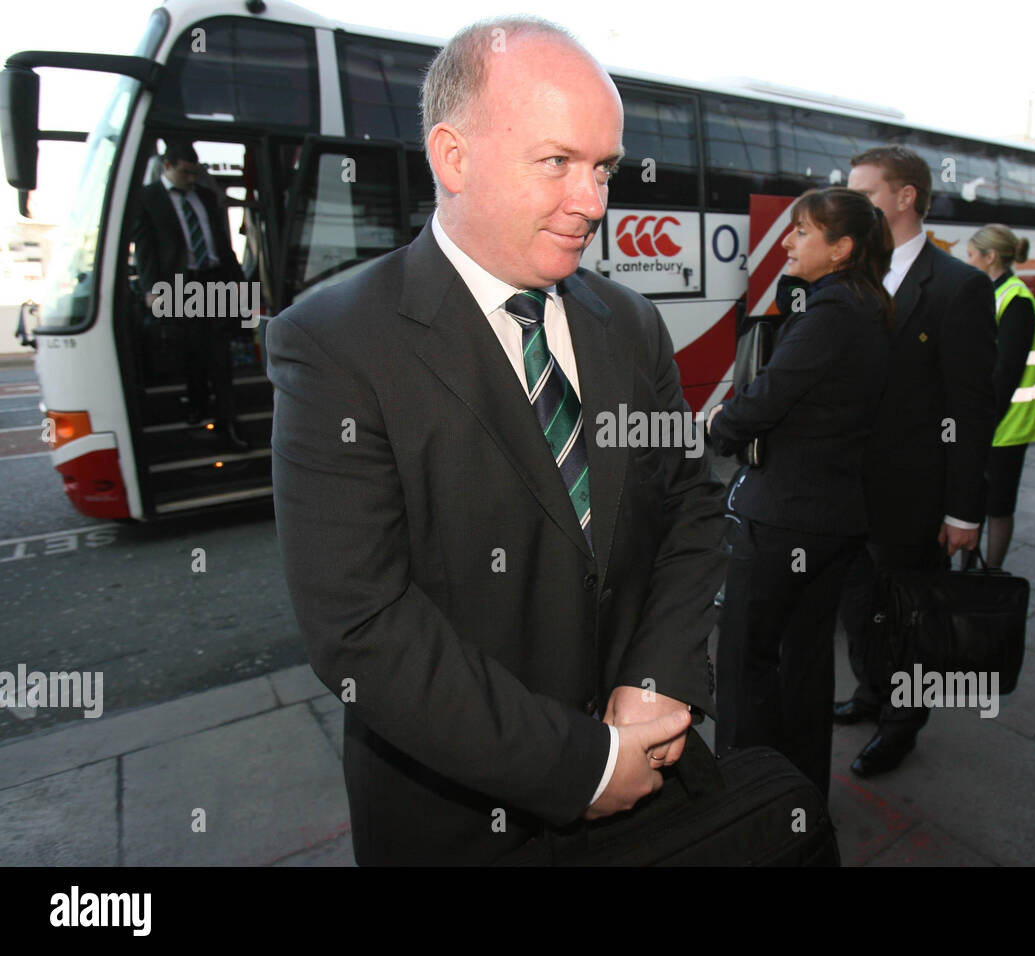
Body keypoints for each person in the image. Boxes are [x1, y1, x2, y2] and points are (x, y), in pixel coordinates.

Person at [266, 17, 728, 865]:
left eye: (603, 169)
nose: (592, 203)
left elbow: (693, 507)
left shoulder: (631, 323)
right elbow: (362, 626)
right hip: (455, 826)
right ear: (453, 157)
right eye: (557, 162)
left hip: (653, 791)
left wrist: (653, 683)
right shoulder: (333, 343)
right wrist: (582, 766)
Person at [707, 187, 892, 795]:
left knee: (743, 661)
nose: (787, 241)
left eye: (802, 231)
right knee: (807, 665)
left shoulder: (829, 317)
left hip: (785, 519)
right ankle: (799, 795)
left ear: (840, 248)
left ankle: (742, 795)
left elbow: (762, 403)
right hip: (837, 519)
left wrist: (719, 427)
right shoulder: (869, 306)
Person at [833, 146, 999, 776]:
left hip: (914, 496)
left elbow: (971, 406)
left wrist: (964, 508)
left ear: (905, 198)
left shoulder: (960, 287)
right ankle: (872, 693)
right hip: (848, 490)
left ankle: (903, 723)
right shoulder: (851, 275)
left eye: (865, 193)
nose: (852, 205)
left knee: (908, 617)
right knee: (859, 610)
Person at [133, 141, 247, 449]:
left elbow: (222, 244)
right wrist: (152, 290)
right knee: (192, 353)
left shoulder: (206, 197)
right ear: (167, 167)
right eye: (185, 172)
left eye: (195, 173)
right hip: (179, 287)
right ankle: (198, 404)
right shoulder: (148, 199)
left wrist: (239, 283)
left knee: (220, 356)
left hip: (214, 281)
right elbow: (145, 249)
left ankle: (229, 420)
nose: (192, 179)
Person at [965, 224, 1035, 568]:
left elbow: (1007, 372)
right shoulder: (993, 292)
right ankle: (970, 567)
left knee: (998, 504)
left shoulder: (1016, 300)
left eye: (971, 255)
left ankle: (992, 571)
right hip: (990, 418)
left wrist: (983, 422)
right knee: (974, 500)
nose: (967, 262)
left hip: (1008, 422)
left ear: (990, 257)